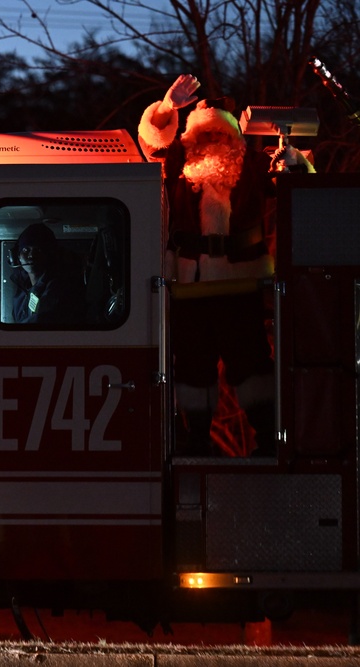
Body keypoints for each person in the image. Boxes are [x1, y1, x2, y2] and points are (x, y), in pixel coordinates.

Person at [137, 74, 313, 457]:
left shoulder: (251, 166)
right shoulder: (176, 166)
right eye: (205, 136)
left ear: (234, 138)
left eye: (219, 135)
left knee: (251, 365)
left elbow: (298, 190)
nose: (212, 142)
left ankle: (268, 440)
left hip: (242, 287)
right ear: (191, 139)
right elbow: (153, 140)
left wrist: (295, 162)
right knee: (192, 369)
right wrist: (167, 107)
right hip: (190, 288)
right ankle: (195, 441)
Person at [9, 223, 86, 325]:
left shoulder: (59, 288)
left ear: (50, 255)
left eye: (38, 250)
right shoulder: (22, 291)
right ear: (17, 256)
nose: (31, 255)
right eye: (25, 250)